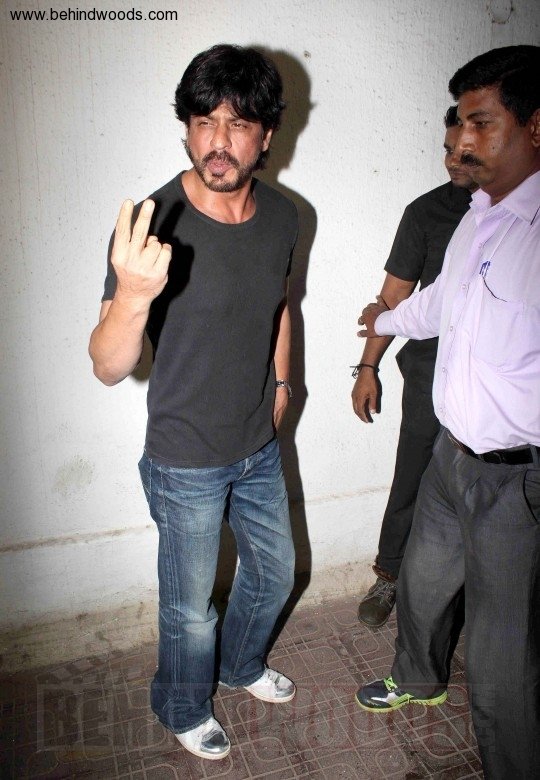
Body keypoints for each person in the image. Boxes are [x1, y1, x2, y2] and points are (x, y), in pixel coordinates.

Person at [89, 44, 298, 761]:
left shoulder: (283, 216)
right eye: (204, 121)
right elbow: (108, 366)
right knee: (191, 611)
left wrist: (282, 382)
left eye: (238, 124)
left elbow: (280, 305)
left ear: (266, 135)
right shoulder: (154, 222)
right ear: (186, 127)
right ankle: (180, 704)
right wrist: (132, 296)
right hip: (185, 460)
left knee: (274, 573)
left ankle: (239, 669)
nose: (218, 141)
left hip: (257, 445)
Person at [355, 45, 540, 780]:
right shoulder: (479, 215)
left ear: (536, 126)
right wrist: (384, 321)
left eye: (480, 122)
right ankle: (419, 678)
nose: (462, 140)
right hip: (450, 456)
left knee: (501, 664)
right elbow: (440, 301)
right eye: (459, 123)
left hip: (513, 481)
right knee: (424, 586)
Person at [352, 107, 477, 628]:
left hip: (493, 378)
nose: (452, 161)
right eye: (447, 150)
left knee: (486, 486)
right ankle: (389, 575)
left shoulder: (520, 212)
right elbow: (393, 298)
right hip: (429, 372)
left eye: (464, 152)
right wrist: (367, 368)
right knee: (414, 473)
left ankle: (475, 590)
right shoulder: (427, 212)